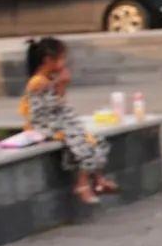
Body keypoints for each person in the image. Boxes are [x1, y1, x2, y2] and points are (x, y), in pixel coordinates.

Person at [20, 37, 119, 205]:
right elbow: (47, 108)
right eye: (61, 58)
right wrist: (60, 85)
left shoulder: (49, 78)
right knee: (81, 144)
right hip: (45, 125)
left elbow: (58, 104)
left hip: (58, 120)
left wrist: (59, 85)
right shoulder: (38, 82)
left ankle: (98, 179)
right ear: (48, 60)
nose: (64, 62)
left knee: (96, 141)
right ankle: (82, 185)